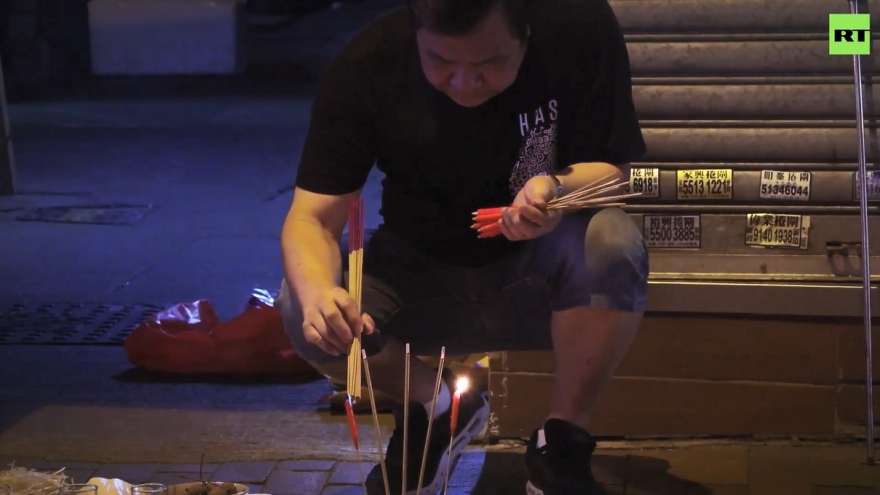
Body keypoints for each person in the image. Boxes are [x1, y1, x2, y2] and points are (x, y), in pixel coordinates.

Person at [277, 0, 649, 492]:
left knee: (612, 242)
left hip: (539, 277)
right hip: (415, 277)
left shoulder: (578, 26)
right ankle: (436, 405)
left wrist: (556, 190)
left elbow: (615, 172)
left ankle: (561, 443)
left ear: (527, 30)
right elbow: (312, 219)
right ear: (417, 28)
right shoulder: (368, 63)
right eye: (441, 61)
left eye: (490, 62)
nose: (465, 81)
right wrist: (320, 295)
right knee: (302, 302)